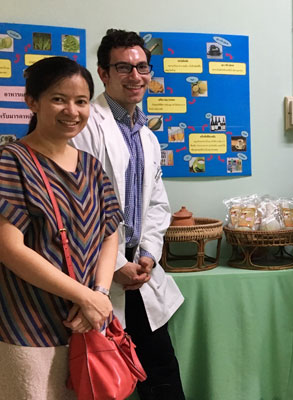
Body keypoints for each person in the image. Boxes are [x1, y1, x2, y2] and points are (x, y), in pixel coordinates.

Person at [71, 29, 185, 400]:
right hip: (98, 274)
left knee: (162, 374)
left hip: (141, 271)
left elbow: (157, 204)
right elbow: (78, 207)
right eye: (123, 67)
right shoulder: (86, 126)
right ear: (103, 73)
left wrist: (149, 254)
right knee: (104, 381)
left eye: (142, 67)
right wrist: (115, 263)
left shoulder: (147, 136)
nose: (135, 76)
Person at [0, 56, 122, 399]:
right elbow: (9, 248)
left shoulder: (92, 167)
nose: (72, 110)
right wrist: (85, 296)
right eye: (59, 99)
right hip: (27, 324)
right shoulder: (11, 161)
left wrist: (98, 294)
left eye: (81, 101)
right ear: (32, 102)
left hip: (85, 322)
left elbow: (110, 232)